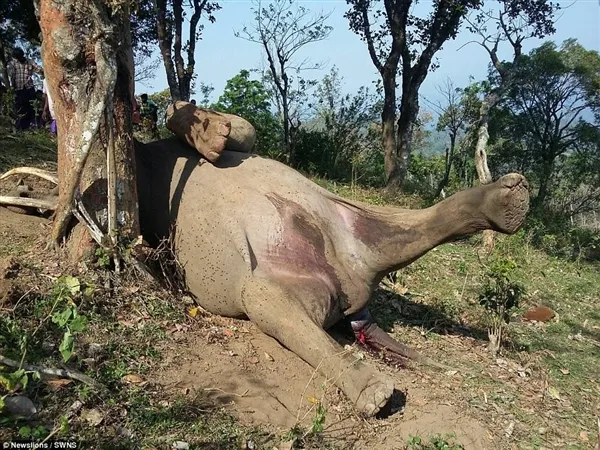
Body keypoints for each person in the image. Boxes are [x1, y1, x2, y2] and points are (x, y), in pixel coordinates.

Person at [8, 48, 41, 130]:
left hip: (29, 88)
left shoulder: (30, 62)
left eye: (20, 56)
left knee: (32, 107)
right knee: (20, 108)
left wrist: (33, 72)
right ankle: (21, 127)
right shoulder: (13, 64)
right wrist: (13, 88)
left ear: (22, 55)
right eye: (17, 57)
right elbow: (12, 77)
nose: (19, 58)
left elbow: (39, 69)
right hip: (19, 89)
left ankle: (33, 126)